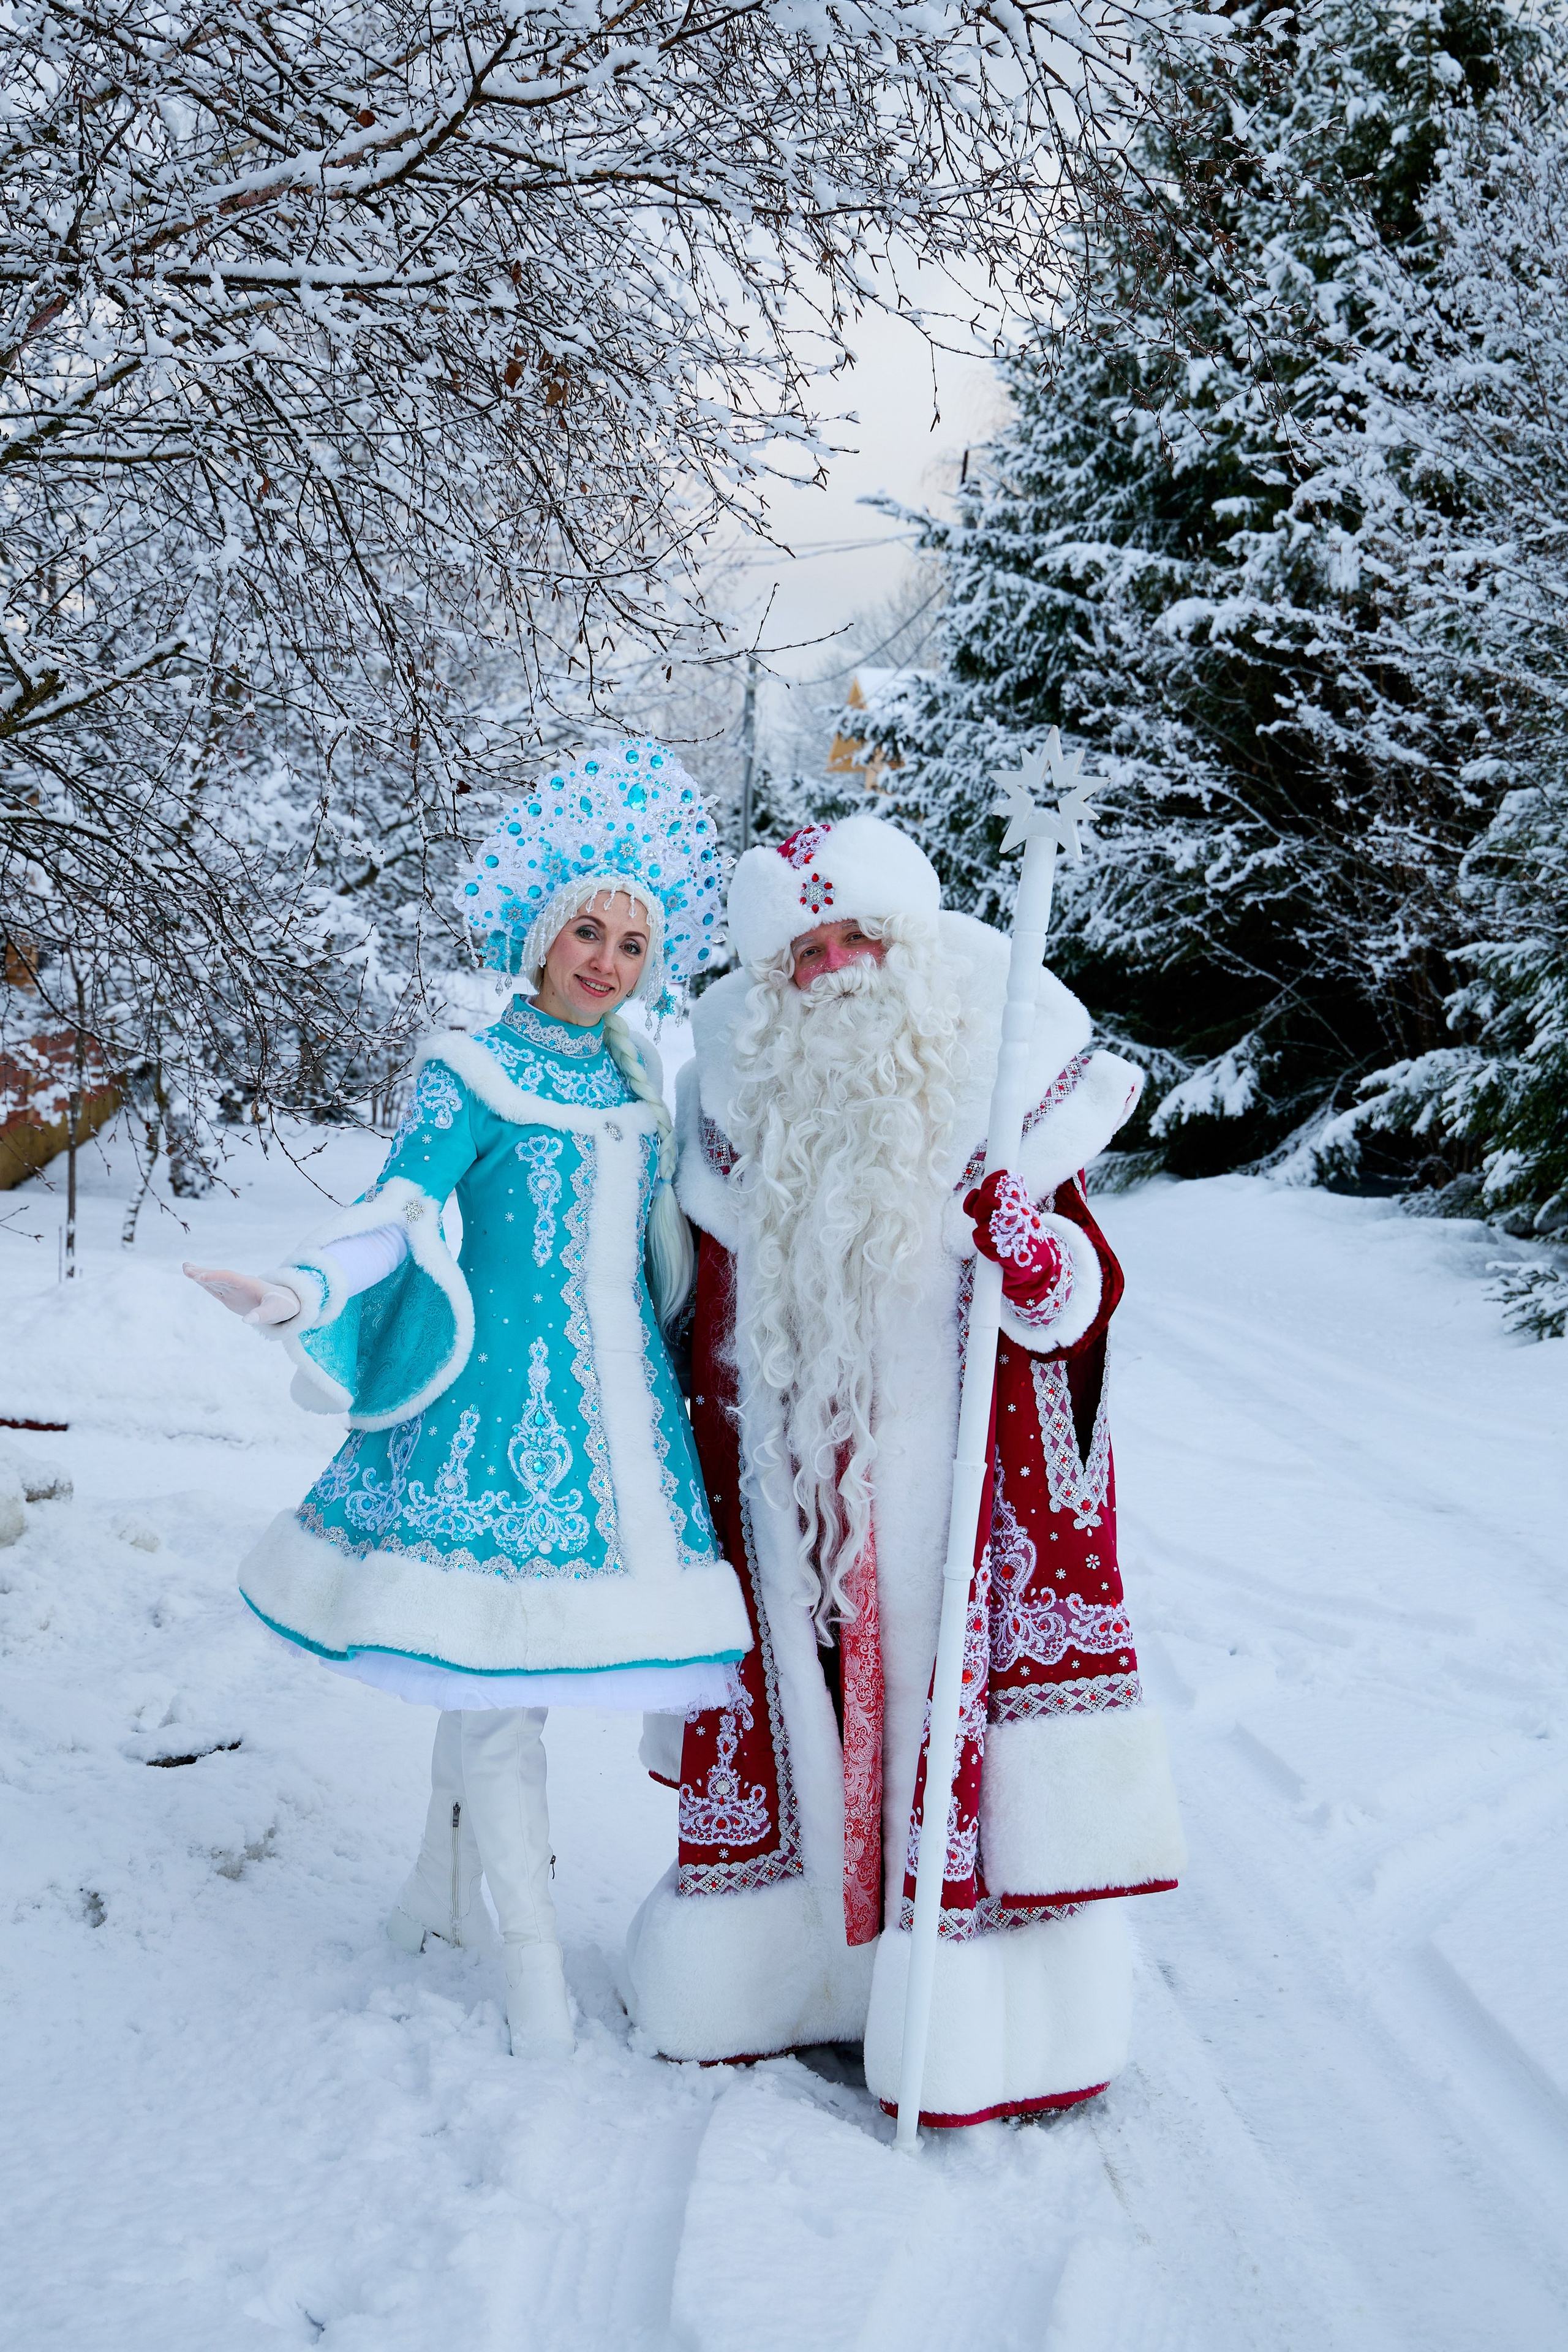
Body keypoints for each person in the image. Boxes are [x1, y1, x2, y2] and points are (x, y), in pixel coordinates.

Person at [186, 741, 750, 2057]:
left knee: (501, 1682)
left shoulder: (634, 1078)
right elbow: (398, 1210)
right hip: (498, 1426)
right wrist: (304, 1289)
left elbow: (672, 1247)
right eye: (583, 932)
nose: (602, 959)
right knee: (497, 1696)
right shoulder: (470, 1067)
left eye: (627, 939)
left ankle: (432, 1908)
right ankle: (540, 1992)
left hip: (623, 1432)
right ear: (539, 930)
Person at [624, 814, 1185, 2126]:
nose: (833, 970)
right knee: (806, 1735)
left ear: (906, 942)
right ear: (769, 988)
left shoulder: (1002, 1090)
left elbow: (1078, 1302)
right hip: (796, 1512)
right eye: (801, 953)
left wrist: (1031, 1259)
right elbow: (689, 1304)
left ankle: (979, 2026)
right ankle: (804, 1978)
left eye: (855, 937)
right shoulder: (725, 1125)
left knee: (950, 1747)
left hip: (955, 1508)